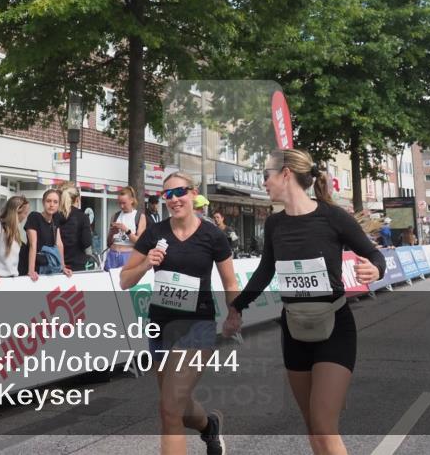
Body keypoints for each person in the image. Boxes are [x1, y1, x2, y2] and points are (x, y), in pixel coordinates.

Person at [223, 149, 386, 455]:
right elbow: (265, 271)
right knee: (312, 425)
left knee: (324, 425)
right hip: (294, 330)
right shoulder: (274, 223)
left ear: (286, 174)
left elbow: (374, 253)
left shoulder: (333, 217)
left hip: (334, 327)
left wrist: (376, 269)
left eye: (266, 176)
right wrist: (237, 308)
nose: (263, 182)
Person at [120, 171, 239, 455]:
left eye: (180, 192)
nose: (174, 199)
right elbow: (125, 280)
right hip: (160, 327)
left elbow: (230, 283)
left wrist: (234, 313)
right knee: (177, 406)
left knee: (170, 408)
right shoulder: (154, 233)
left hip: (197, 326)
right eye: (168, 194)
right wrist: (146, 264)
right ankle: (209, 425)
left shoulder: (212, 235)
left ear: (193, 193)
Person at [25, 189, 72, 281]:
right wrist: (31, 270)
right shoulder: (34, 217)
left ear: (59, 205)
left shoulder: (56, 218)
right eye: (48, 201)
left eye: (55, 202)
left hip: (51, 267)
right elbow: (33, 244)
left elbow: (59, 244)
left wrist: (63, 267)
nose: (51, 205)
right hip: (37, 266)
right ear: (43, 202)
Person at [104, 186, 146, 271]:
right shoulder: (115, 216)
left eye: (124, 203)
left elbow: (140, 243)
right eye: (119, 203)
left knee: (126, 279)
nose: (121, 206)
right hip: (113, 255)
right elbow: (108, 243)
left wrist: (127, 231)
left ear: (132, 200)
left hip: (128, 255)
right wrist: (112, 233)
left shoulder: (139, 216)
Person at [58, 184, 93, 271]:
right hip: (77, 264)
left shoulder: (56, 216)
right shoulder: (83, 217)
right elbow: (87, 242)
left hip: (57, 263)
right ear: (77, 199)